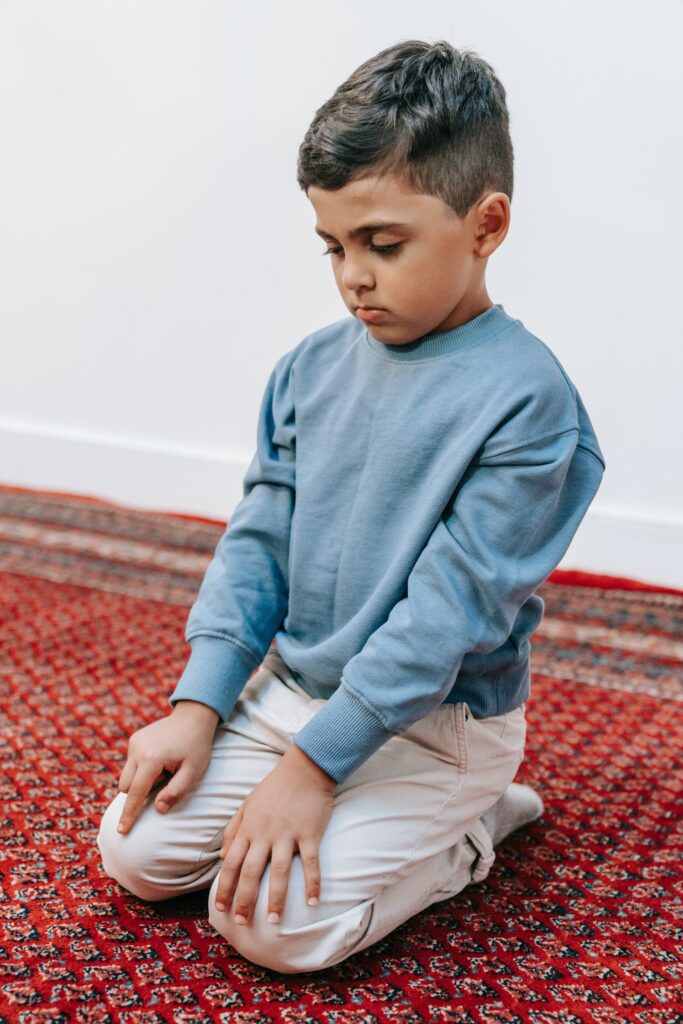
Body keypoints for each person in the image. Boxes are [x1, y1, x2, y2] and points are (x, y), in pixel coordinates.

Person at [96, 38, 606, 973]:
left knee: (269, 927)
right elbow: (259, 540)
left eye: (383, 244)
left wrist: (312, 770)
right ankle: (350, 797)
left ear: (485, 224)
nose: (352, 276)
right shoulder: (307, 368)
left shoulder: (530, 405)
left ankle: (470, 833)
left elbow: (445, 615)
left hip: (435, 725)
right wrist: (201, 704)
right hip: (295, 694)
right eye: (334, 246)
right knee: (136, 854)